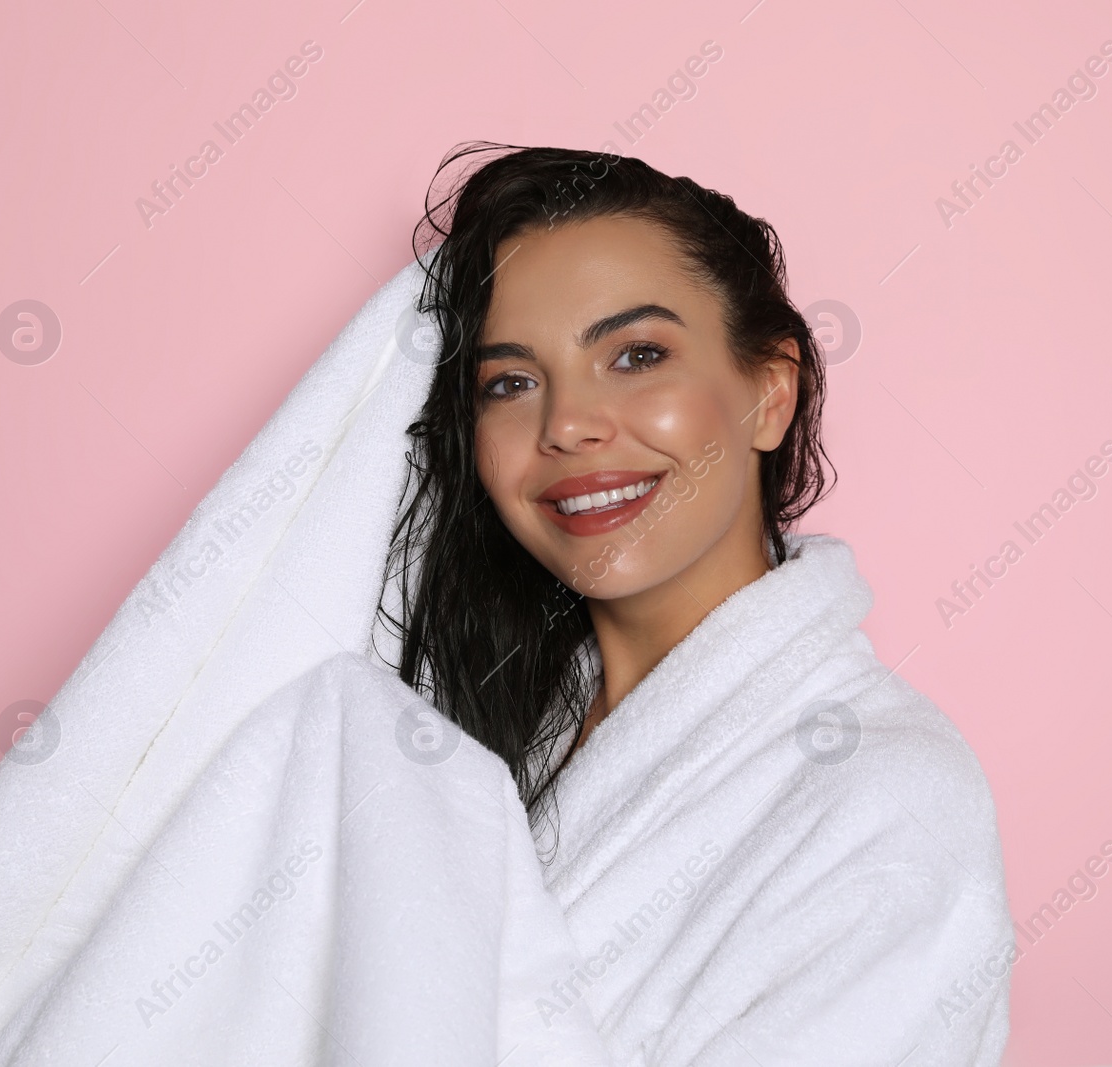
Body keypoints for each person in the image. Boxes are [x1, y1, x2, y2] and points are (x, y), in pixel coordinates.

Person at [373, 142, 1016, 1064]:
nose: (566, 425)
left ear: (769, 390)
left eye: (635, 355)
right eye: (510, 381)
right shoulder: (454, 727)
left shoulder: (890, 799)